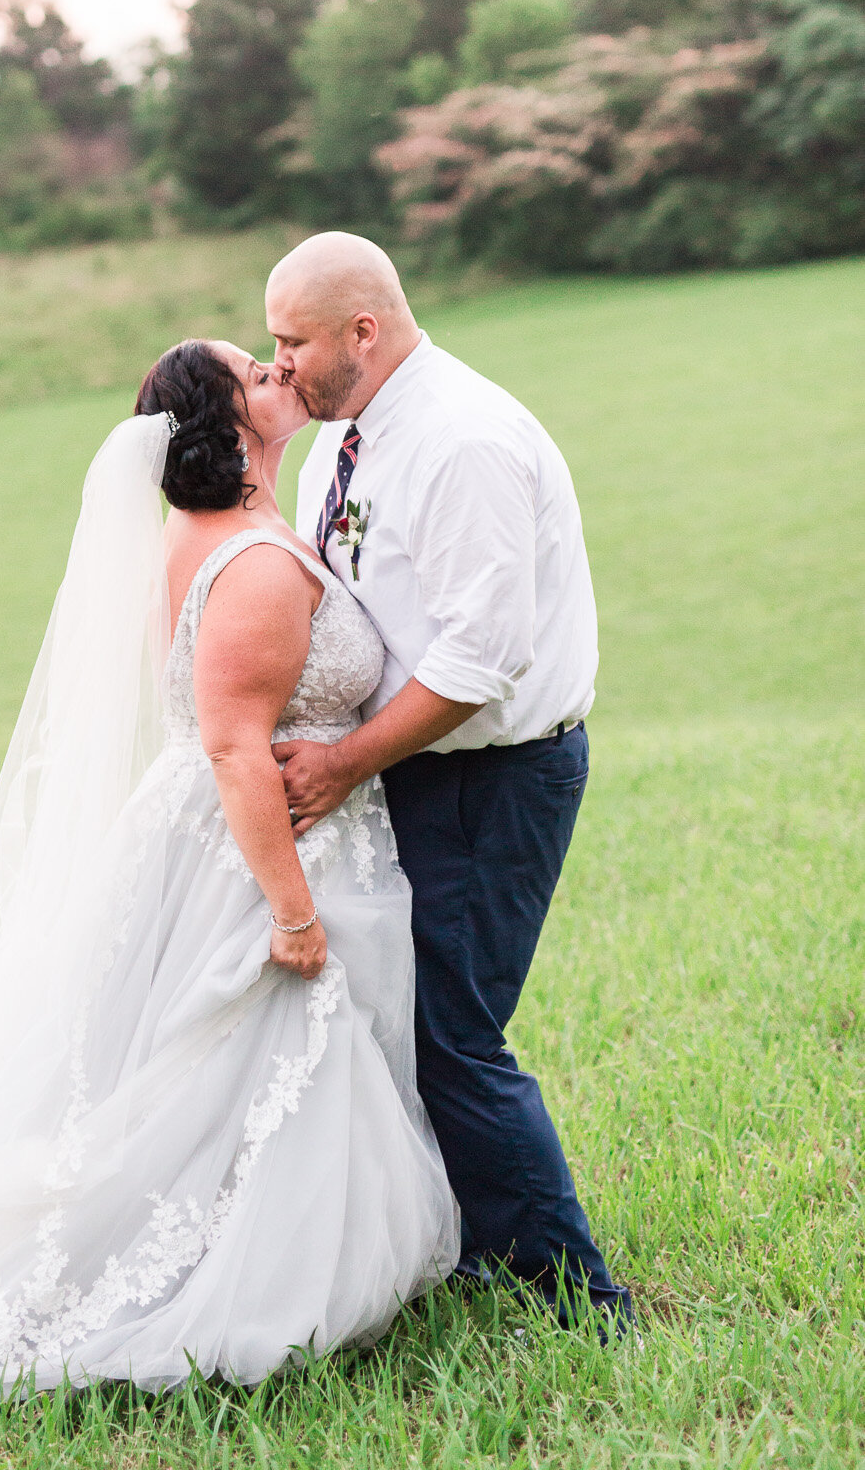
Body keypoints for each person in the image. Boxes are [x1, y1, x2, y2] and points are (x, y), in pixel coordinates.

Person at [0, 338, 457, 1406]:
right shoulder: (250, 561)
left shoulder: (230, 528)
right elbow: (235, 746)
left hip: (233, 833)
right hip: (253, 852)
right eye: (257, 372)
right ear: (230, 426)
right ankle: (240, 1288)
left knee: (228, 1071)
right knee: (252, 1057)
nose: (279, 375)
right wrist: (291, 910)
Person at [266, 230, 632, 1331]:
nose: (278, 362)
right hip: (408, 772)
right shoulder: (344, 435)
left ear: (362, 331)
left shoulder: (462, 438)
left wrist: (338, 761)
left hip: (495, 774)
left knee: (454, 1030)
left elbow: (480, 660)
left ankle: (573, 1287)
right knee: (403, 1017)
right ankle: (473, 1241)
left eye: (293, 341)